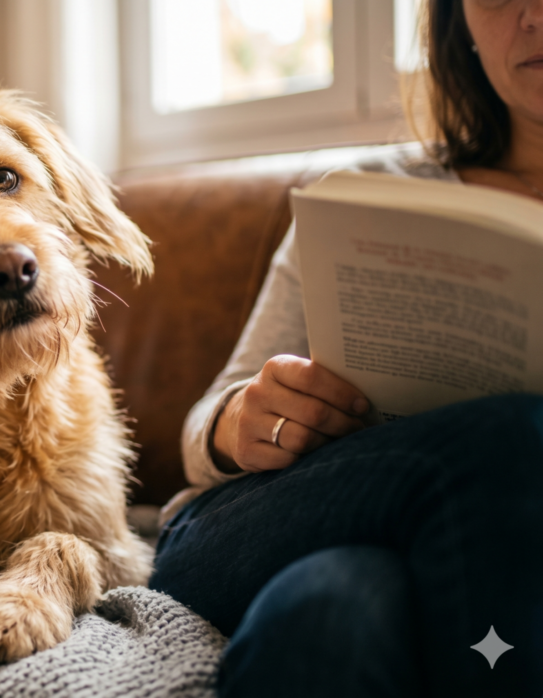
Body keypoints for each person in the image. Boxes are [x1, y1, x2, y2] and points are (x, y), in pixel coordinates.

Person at [148, 1, 543, 696]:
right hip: (265, 524)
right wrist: (244, 421)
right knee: (513, 433)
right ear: (462, 27)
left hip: (377, 563)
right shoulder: (373, 194)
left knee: (330, 612)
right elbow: (198, 434)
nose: (534, 15)